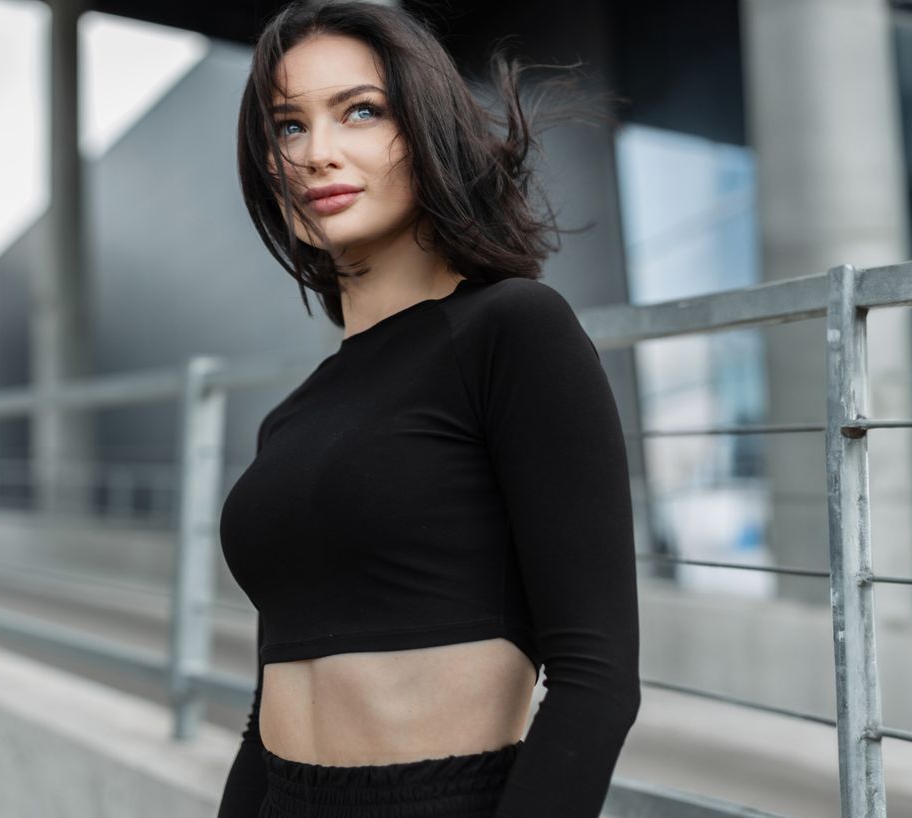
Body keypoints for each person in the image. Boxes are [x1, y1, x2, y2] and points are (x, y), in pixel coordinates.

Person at [217, 2, 641, 816]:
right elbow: (266, 706)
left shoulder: (513, 331)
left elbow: (597, 682)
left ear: (426, 125)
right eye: (288, 127)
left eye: (361, 112)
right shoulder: (295, 416)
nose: (317, 154)